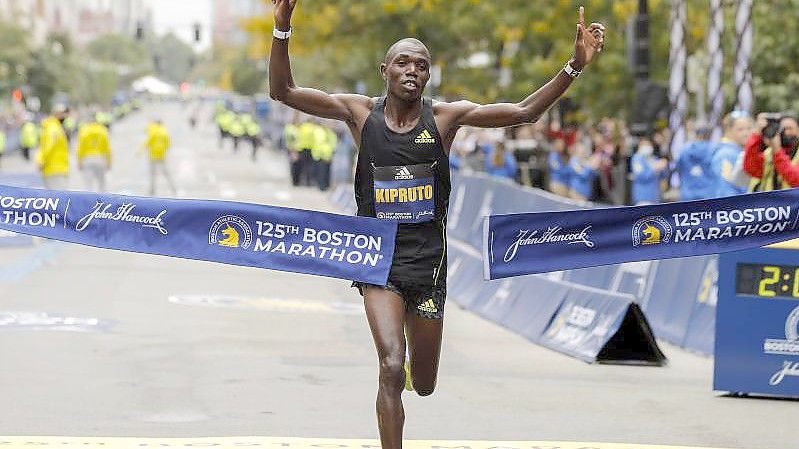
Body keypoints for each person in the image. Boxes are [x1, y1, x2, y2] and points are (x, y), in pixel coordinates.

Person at [268, 1, 604, 447]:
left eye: (421, 66)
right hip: (378, 263)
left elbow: (524, 112)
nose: (412, 71)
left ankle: (415, 365)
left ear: (428, 76)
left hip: (428, 267)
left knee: (422, 383)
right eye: (403, 63)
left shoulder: (445, 118)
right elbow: (284, 91)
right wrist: (283, 28)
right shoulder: (359, 113)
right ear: (384, 70)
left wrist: (574, 68)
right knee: (390, 366)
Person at [744, 114, 799, 191]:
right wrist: (756, 134)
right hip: (770, 202)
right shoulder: (770, 153)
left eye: (790, 128)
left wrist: (777, 152)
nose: (786, 132)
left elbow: (796, 181)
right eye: (782, 129)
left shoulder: (776, 151)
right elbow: (751, 167)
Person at [711, 111, 753, 197]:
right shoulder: (726, 154)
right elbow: (725, 191)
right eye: (740, 129)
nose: (746, 133)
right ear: (728, 130)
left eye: (749, 128)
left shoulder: (739, 151)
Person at [675, 126, 715, 200]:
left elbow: (678, 169)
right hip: (708, 195)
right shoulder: (713, 150)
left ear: (696, 135)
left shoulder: (684, 150)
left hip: (687, 194)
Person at [36, 106, 70, 190]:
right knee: (58, 198)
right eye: (63, 114)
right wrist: (41, 161)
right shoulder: (53, 128)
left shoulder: (53, 127)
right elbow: (48, 146)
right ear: (57, 114)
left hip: (55, 168)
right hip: (55, 169)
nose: (65, 116)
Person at [77, 114, 112, 192]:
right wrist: (109, 162)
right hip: (100, 158)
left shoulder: (84, 130)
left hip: (87, 159)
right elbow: (107, 148)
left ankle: (89, 202)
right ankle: (102, 202)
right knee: (102, 183)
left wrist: (79, 161)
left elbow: (80, 148)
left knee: (88, 185)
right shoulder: (103, 130)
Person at [630, 138, 668, 205]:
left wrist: (664, 167)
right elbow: (641, 176)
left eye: (649, 145)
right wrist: (654, 168)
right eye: (645, 145)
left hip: (655, 197)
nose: (648, 147)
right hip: (643, 197)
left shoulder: (654, 158)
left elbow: (663, 176)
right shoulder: (637, 159)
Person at [143, 120, 176, 196]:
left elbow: (148, 142)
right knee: (166, 172)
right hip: (162, 155)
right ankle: (173, 188)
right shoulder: (164, 131)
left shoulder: (153, 131)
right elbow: (168, 144)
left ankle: (152, 190)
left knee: (152, 173)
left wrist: (140, 150)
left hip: (153, 155)